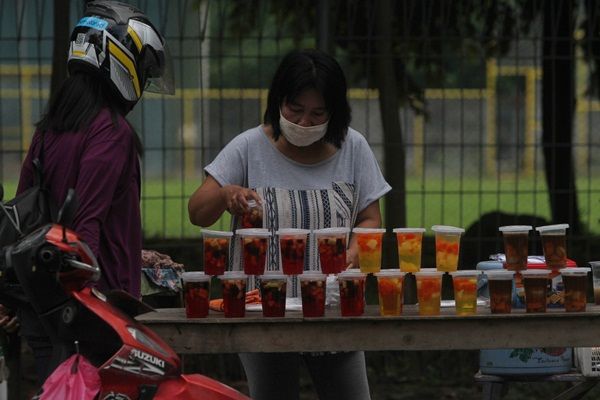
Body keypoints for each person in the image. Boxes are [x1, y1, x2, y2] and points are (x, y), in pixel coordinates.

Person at [188, 49, 390, 400]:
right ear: (278, 101)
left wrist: (351, 257)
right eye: (295, 110)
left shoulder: (353, 148)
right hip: (261, 313)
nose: (304, 122)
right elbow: (197, 212)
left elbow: (370, 219)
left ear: (334, 113)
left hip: (331, 308)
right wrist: (226, 195)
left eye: (317, 114)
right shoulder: (248, 147)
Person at [12, 0, 174, 386]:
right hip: (92, 317)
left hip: (44, 306)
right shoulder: (111, 132)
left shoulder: (49, 130)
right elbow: (86, 228)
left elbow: (25, 216)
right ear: (120, 62)